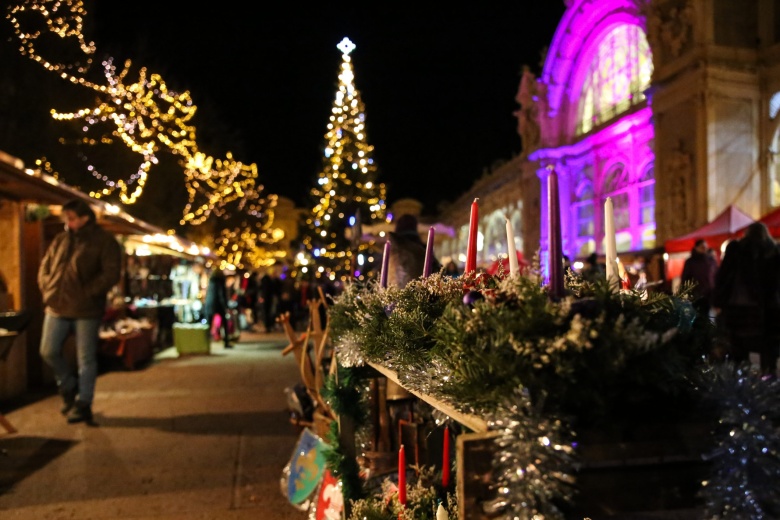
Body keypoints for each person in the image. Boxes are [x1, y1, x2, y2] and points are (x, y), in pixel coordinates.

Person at [38, 198, 123, 424]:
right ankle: (68, 386)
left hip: (86, 309)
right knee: (48, 350)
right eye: (65, 217)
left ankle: (83, 402)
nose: (68, 222)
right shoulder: (61, 240)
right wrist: (47, 287)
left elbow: (111, 273)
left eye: (72, 218)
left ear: (85, 218)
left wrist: (88, 293)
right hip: (56, 306)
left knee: (85, 358)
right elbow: (45, 266)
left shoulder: (104, 241)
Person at [713, 222, 780, 376]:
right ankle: (769, 382)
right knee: (769, 351)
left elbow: (723, 277)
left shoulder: (736, 250)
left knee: (739, 350)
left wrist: (719, 301)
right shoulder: (775, 251)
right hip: (770, 311)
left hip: (740, 308)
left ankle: (741, 384)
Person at [387, 214, 441, 288]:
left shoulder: (393, 248)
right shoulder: (422, 249)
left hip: (394, 292)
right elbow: (437, 271)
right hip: (421, 293)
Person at [680, 239, 718, 319]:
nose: (704, 249)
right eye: (702, 247)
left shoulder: (711, 261)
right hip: (696, 294)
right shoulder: (690, 262)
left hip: (710, 294)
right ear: (696, 248)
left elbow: (716, 275)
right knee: (698, 315)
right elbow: (685, 278)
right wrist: (687, 291)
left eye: (705, 247)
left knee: (709, 315)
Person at [204, 268, 232, 349]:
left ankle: (205, 343)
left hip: (210, 304)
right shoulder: (220, 281)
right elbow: (221, 295)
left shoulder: (211, 281)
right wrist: (225, 306)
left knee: (208, 325)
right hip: (218, 305)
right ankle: (226, 342)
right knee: (225, 324)